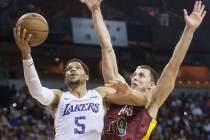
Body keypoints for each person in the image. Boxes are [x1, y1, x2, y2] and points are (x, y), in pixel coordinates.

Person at [81, 0, 206, 139]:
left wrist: (189, 30)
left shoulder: (153, 100)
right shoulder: (118, 91)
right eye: (135, 74)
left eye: (141, 75)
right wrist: (96, 11)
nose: (135, 77)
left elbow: (173, 65)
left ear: (152, 85)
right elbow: (107, 48)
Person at [13, 26, 148, 139]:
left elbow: (142, 101)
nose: (72, 70)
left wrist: (128, 92)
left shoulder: (101, 94)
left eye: (77, 68)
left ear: (87, 76)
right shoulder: (59, 97)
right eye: (69, 69)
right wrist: (26, 55)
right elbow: (37, 92)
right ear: (65, 77)